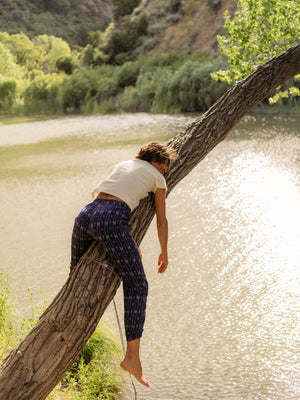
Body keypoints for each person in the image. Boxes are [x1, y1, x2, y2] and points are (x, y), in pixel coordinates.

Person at [69, 141, 177, 387]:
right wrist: (164, 251)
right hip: (110, 219)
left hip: (86, 215)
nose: (165, 174)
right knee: (137, 284)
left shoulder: (123, 164)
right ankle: (132, 358)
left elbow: (105, 201)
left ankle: (71, 341)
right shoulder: (157, 177)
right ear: (158, 162)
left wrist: (125, 240)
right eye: (165, 168)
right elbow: (161, 220)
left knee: (74, 277)